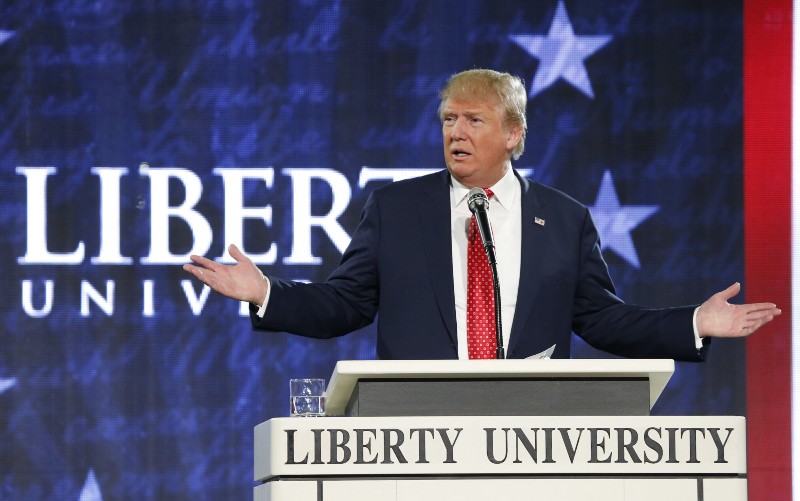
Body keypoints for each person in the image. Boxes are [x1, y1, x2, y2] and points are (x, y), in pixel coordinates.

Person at [183, 69, 780, 360]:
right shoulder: (397, 209)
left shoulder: (565, 219)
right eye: (448, 119)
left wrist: (692, 326)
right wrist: (268, 293)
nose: (456, 132)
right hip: (418, 437)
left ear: (514, 134)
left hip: (531, 440)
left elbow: (601, 320)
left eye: (474, 121)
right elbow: (346, 303)